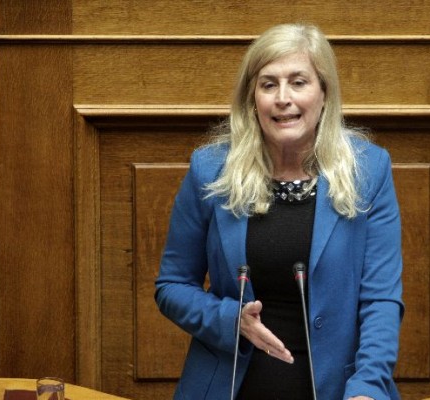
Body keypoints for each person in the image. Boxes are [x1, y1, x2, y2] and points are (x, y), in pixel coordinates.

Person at [155, 23, 403, 400]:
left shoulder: (368, 170)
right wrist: (231, 320)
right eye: (268, 84)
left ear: (324, 92)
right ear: (252, 98)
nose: (282, 98)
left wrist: (367, 387)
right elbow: (172, 286)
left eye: (298, 82)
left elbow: (381, 300)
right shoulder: (211, 170)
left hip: (340, 390)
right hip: (229, 386)